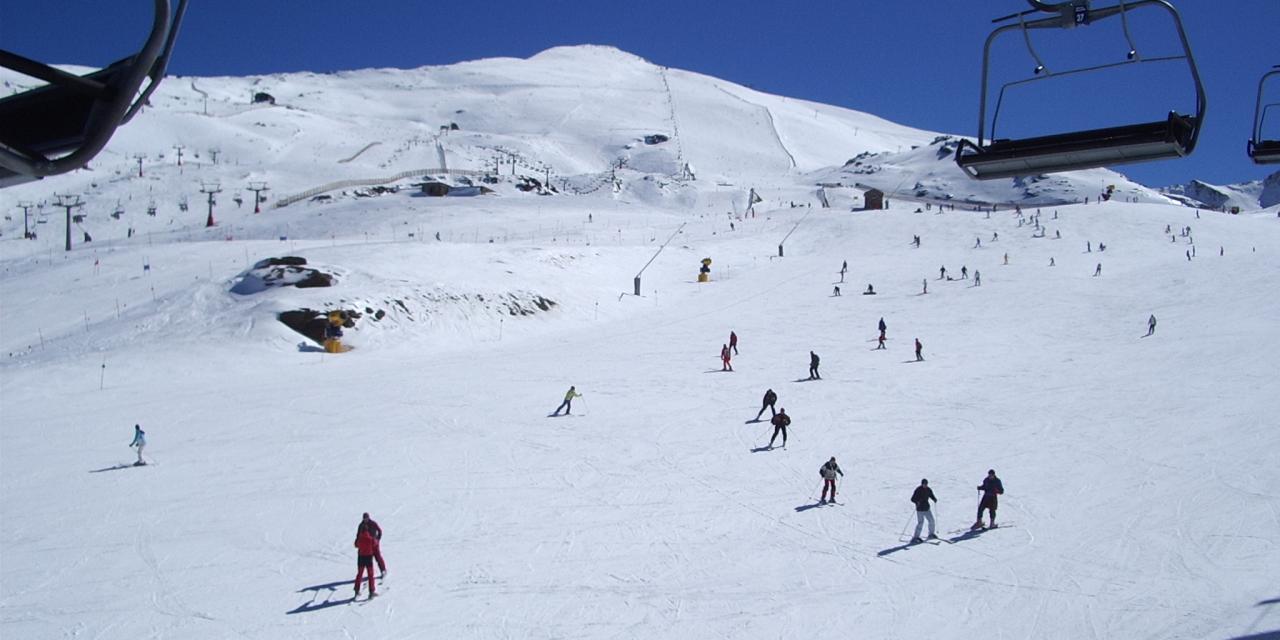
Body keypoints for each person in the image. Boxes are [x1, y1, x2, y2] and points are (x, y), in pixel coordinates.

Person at [357, 513, 386, 577]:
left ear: (369, 517)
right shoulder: (361, 525)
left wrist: (377, 539)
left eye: (366, 518)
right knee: (366, 559)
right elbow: (358, 535)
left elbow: (379, 531)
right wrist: (358, 543)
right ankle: (367, 573)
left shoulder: (373, 523)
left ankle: (383, 570)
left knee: (378, 557)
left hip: (374, 544)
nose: (365, 519)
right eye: (364, 518)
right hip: (366, 545)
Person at [354, 523, 378, 598]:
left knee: (359, 574)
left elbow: (356, 545)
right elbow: (375, 544)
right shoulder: (370, 538)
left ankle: (357, 590)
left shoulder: (360, 538)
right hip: (368, 558)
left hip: (361, 557)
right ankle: (371, 591)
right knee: (370, 575)